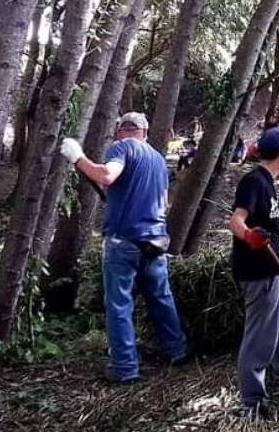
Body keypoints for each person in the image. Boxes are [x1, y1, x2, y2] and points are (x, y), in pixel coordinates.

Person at [60, 112, 189, 383]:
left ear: (121, 131)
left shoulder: (121, 147)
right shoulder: (157, 159)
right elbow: (163, 203)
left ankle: (125, 368)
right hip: (156, 240)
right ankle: (177, 350)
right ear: (144, 132)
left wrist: (78, 158)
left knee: (119, 304)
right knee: (161, 297)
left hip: (124, 240)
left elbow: (107, 175)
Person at [228, 128, 279, 420]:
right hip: (257, 273)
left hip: (271, 271)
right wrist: (248, 237)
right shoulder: (254, 181)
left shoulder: (266, 182)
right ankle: (251, 401)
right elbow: (235, 221)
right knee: (260, 337)